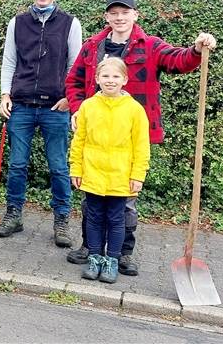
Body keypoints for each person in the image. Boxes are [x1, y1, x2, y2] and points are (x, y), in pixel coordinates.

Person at [65, 0, 216, 275]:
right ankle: (90, 248)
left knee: (126, 204)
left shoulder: (150, 46)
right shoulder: (92, 46)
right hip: (95, 142)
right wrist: (77, 109)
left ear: (135, 15)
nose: (119, 17)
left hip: (128, 142)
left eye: (125, 12)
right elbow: (73, 81)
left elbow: (179, 60)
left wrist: (196, 50)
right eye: (114, 13)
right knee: (91, 199)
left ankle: (123, 254)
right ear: (107, 17)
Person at [0, 0, 82, 247]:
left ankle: (62, 220)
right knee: (17, 164)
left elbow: (75, 65)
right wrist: (5, 94)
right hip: (21, 105)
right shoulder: (17, 23)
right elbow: (9, 61)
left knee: (58, 167)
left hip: (55, 107)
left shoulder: (70, 23)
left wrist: (70, 97)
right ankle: (14, 215)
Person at [69, 57, 150, 284]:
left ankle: (112, 260)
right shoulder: (88, 106)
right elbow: (79, 141)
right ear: (96, 79)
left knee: (116, 220)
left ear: (125, 79)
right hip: (92, 173)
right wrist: (76, 168)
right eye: (105, 76)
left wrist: (137, 175)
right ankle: (95, 257)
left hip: (120, 176)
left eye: (116, 76)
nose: (110, 81)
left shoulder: (134, 110)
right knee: (93, 217)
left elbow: (141, 146)